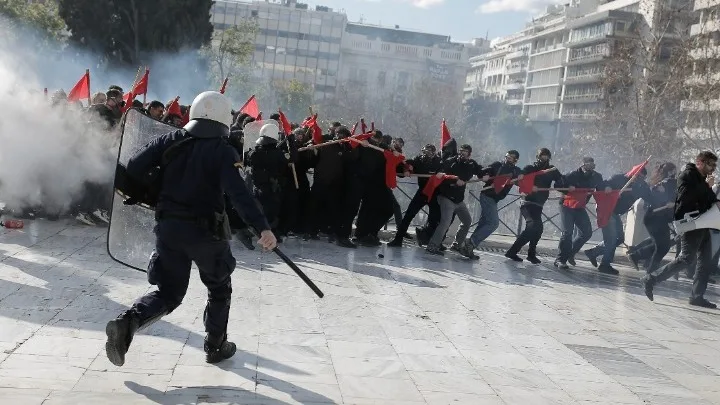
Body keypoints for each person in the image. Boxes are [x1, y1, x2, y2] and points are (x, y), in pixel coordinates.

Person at [104, 91, 277, 367]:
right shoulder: (223, 151)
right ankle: (215, 345)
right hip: (206, 233)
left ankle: (128, 323)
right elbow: (239, 194)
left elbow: (133, 167)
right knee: (219, 287)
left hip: (169, 227)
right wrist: (263, 228)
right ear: (222, 118)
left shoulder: (170, 139)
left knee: (169, 292)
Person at [643, 151, 719, 308]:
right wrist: (707, 187)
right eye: (711, 164)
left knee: (705, 262)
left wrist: (713, 196)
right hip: (691, 223)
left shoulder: (702, 180)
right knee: (686, 259)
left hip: (705, 223)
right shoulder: (687, 175)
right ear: (701, 163)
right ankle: (651, 278)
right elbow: (686, 197)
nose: (714, 168)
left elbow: (708, 199)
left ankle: (697, 296)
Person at [583, 166, 652, 274]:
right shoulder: (619, 178)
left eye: (641, 177)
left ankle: (594, 252)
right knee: (611, 239)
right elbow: (600, 185)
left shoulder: (641, 186)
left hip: (615, 213)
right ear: (633, 173)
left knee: (620, 237)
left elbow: (649, 196)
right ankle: (605, 264)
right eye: (637, 175)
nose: (638, 178)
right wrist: (607, 188)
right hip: (606, 209)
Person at [504, 148, 562, 264]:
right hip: (528, 203)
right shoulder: (530, 168)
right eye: (542, 156)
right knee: (533, 226)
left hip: (539, 205)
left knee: (538, 229)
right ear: (537, 157)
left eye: (546, 156)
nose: (544, 158)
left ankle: (531, 254)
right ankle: (512, 251)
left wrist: (563, 185)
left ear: (549, 158)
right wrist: (531, 187)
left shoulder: (552, 170)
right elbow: (519, 179)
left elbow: (561, 181)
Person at [462, 150, 521, 254]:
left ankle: (468, 248)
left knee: (484, 222)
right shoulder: (497, 165)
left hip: (495, 199)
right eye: (507, 156)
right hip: (487, 195)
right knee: (493, 223)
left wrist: (522, 179)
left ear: (516, 160)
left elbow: (522, 181)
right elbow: (483, 172)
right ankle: (471, 242)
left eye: (511, 157)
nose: (508, 159)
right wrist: (485, 176)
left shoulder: (516, 171)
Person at [426, 144, 480, 257]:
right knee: (445, 222)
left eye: (465, 151)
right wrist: (454, 181)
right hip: (447, 197)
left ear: (469, 154)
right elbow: (442, 175)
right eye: (461, 151)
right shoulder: (450, 161)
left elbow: (480, 170)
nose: (462, 153)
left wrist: (486, 174)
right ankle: (432, 245)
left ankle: (457, 245)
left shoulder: (471, 164)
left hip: (459, 200)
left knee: (467, 221)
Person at [554, 157, 605, 269]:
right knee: (567, 233)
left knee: (586, 232)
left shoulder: (597, 177)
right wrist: (567, 189)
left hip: (580, 206)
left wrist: (610, 190)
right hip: (566, 205)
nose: (589, 168)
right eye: (587, 165)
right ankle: (560, 259)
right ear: (582, 165)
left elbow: (601, 190)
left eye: (592, 165)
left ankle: (571, 253)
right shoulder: (572, 174)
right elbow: (557, 185)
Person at [627, 163, 677, 273]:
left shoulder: (670, 183)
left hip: (660, 219)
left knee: (661, 245)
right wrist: (665, 199)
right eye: (674, 171)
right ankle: (650, 273)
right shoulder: (665, 183)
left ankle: (637, 256)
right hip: (655, 218)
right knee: (662, 247)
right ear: (670, 172)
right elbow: (653, 196)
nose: (675, 173)